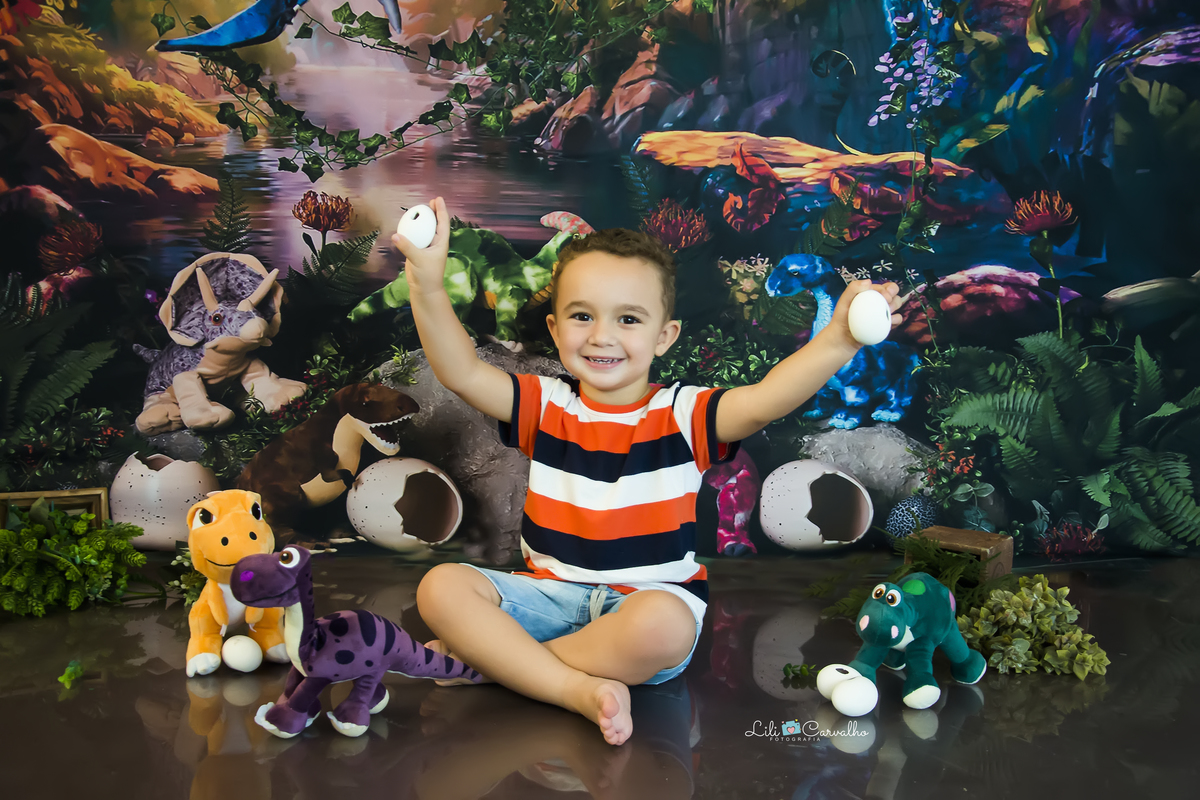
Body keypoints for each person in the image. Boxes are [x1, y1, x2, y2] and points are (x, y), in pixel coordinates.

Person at [397, 197, 901, 746]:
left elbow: (765, 400)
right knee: (442, 586)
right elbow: (461, 371)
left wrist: (840, 340)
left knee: (666, 623)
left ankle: (501, 667)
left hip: (640, 607)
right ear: (554, 325)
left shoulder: (685, 414)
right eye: (582, 315)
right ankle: (567, 685)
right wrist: (426, 285)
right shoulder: (546, 404)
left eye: (629, 319)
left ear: (665, 337)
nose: (601, 335)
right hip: (545, 598)